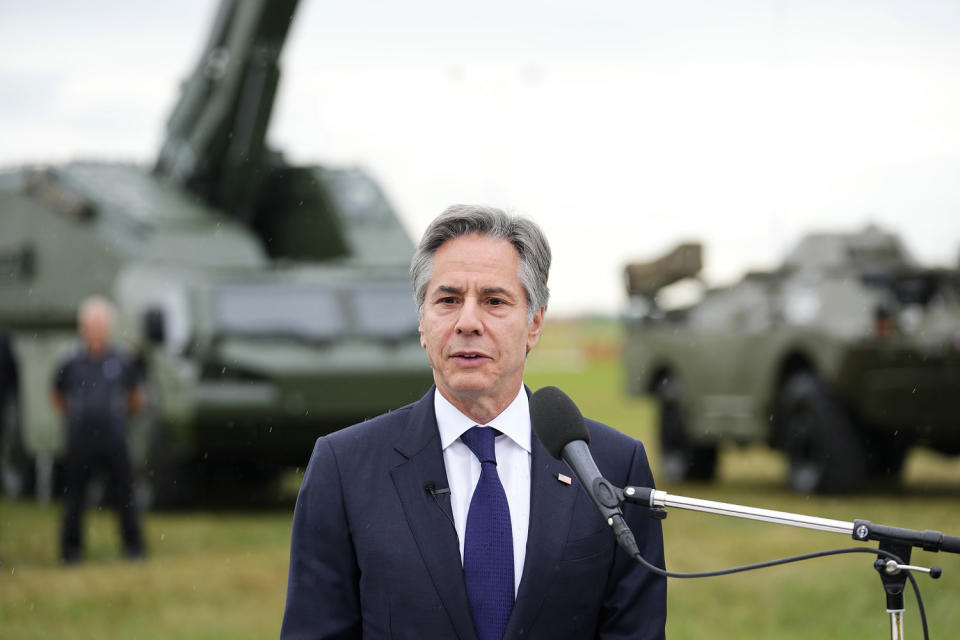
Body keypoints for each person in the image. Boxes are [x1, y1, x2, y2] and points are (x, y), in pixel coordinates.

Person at [281, 205, 666, 639]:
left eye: (494, 301)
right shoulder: (344, 468)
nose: (467, 323)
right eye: (447, 300)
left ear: (534, 322)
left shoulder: (612, 464)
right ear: (422, 323)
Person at [52, 296, 145, 564]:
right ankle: (71, 552)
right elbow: (58, 396)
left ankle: (133, 549)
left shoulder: (122, 359)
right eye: (91, 325)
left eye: (100, 325)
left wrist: (117, 415)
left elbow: (136, 398)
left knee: (125, 495)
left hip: (114, 438)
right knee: (74, 498)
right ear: (83, 328)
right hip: (80, 438)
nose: (95, 331)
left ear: (109, 327)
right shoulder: (71, 360)